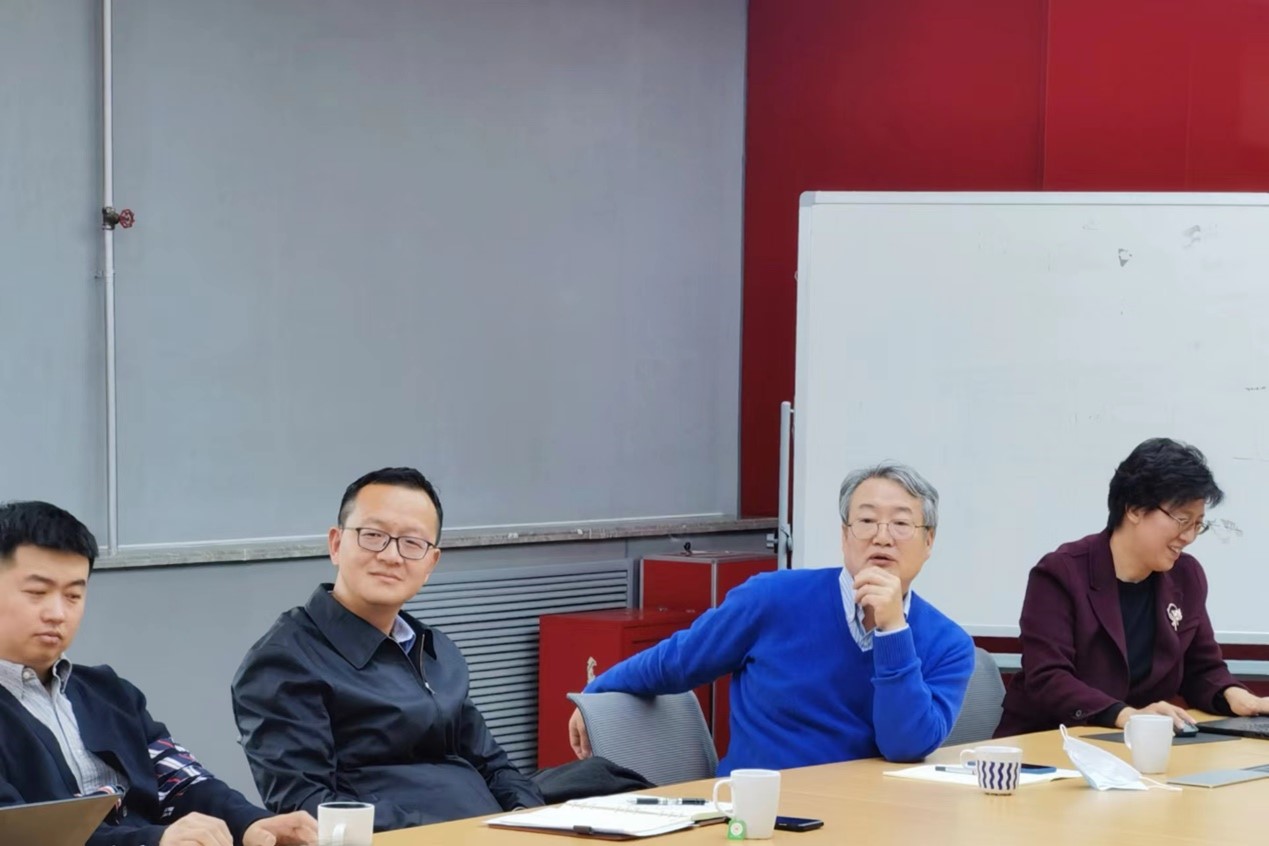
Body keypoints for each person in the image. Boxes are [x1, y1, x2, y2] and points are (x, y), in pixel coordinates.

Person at [570, 463, 975, 772]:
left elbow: (904, 746)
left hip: (872, 819)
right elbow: (678, 660)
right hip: (760, 815)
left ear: (929, 541)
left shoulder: (948, 645)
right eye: (866, 521)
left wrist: (893, 632)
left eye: (901, 523)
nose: (882, 536)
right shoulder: (772, 598)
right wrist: (598, 693)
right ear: (844, 535)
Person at [232, 467, 543, 831]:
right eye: (373, 535)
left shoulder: (435, 649)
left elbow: (494, 765)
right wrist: (450, 831)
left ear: (431, 563)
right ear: (336, 544)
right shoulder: (285, 661)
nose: (392, 556)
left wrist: (528, 817)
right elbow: (309, 806)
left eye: (412, 543)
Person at [0, 500, 316, 846]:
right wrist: (154, 840)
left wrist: (251, 823)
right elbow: (20, 834)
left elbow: (180, 781)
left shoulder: (109, 693)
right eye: (37, 592)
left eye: (73, 595)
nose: (57, 613)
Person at [996, 438, 1269, 737]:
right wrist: (1127, 716)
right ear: (1135, 509)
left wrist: (1240, 698)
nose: (1189, 537)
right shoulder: (1060, 573)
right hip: (1048, 742)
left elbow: (1201, 669)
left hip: (1136, 746)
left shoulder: (1186, 576)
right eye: (1182, 520)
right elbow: (1048, 677)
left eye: (1198, 524)